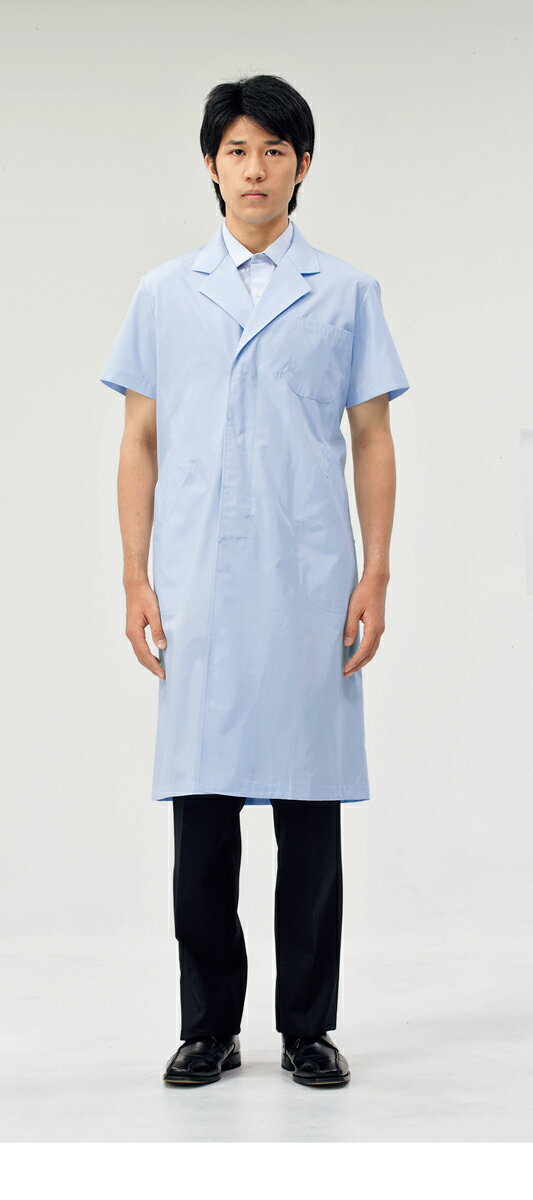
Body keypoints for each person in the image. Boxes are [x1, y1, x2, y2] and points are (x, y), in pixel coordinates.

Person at [99, 74, 410, 1088]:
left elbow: (371, 438)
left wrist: (375, 573)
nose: (255, 169)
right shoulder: (164, 293)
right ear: (210, 164)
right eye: (237, 150)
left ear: (302, 165)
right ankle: (208, 1028)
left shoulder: (345, 293)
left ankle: (307, 1029)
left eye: (274, 151)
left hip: (308, 581)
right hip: (196, 581)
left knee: (308, 815)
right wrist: (135, 576)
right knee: (201, 818)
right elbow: (139, 441)